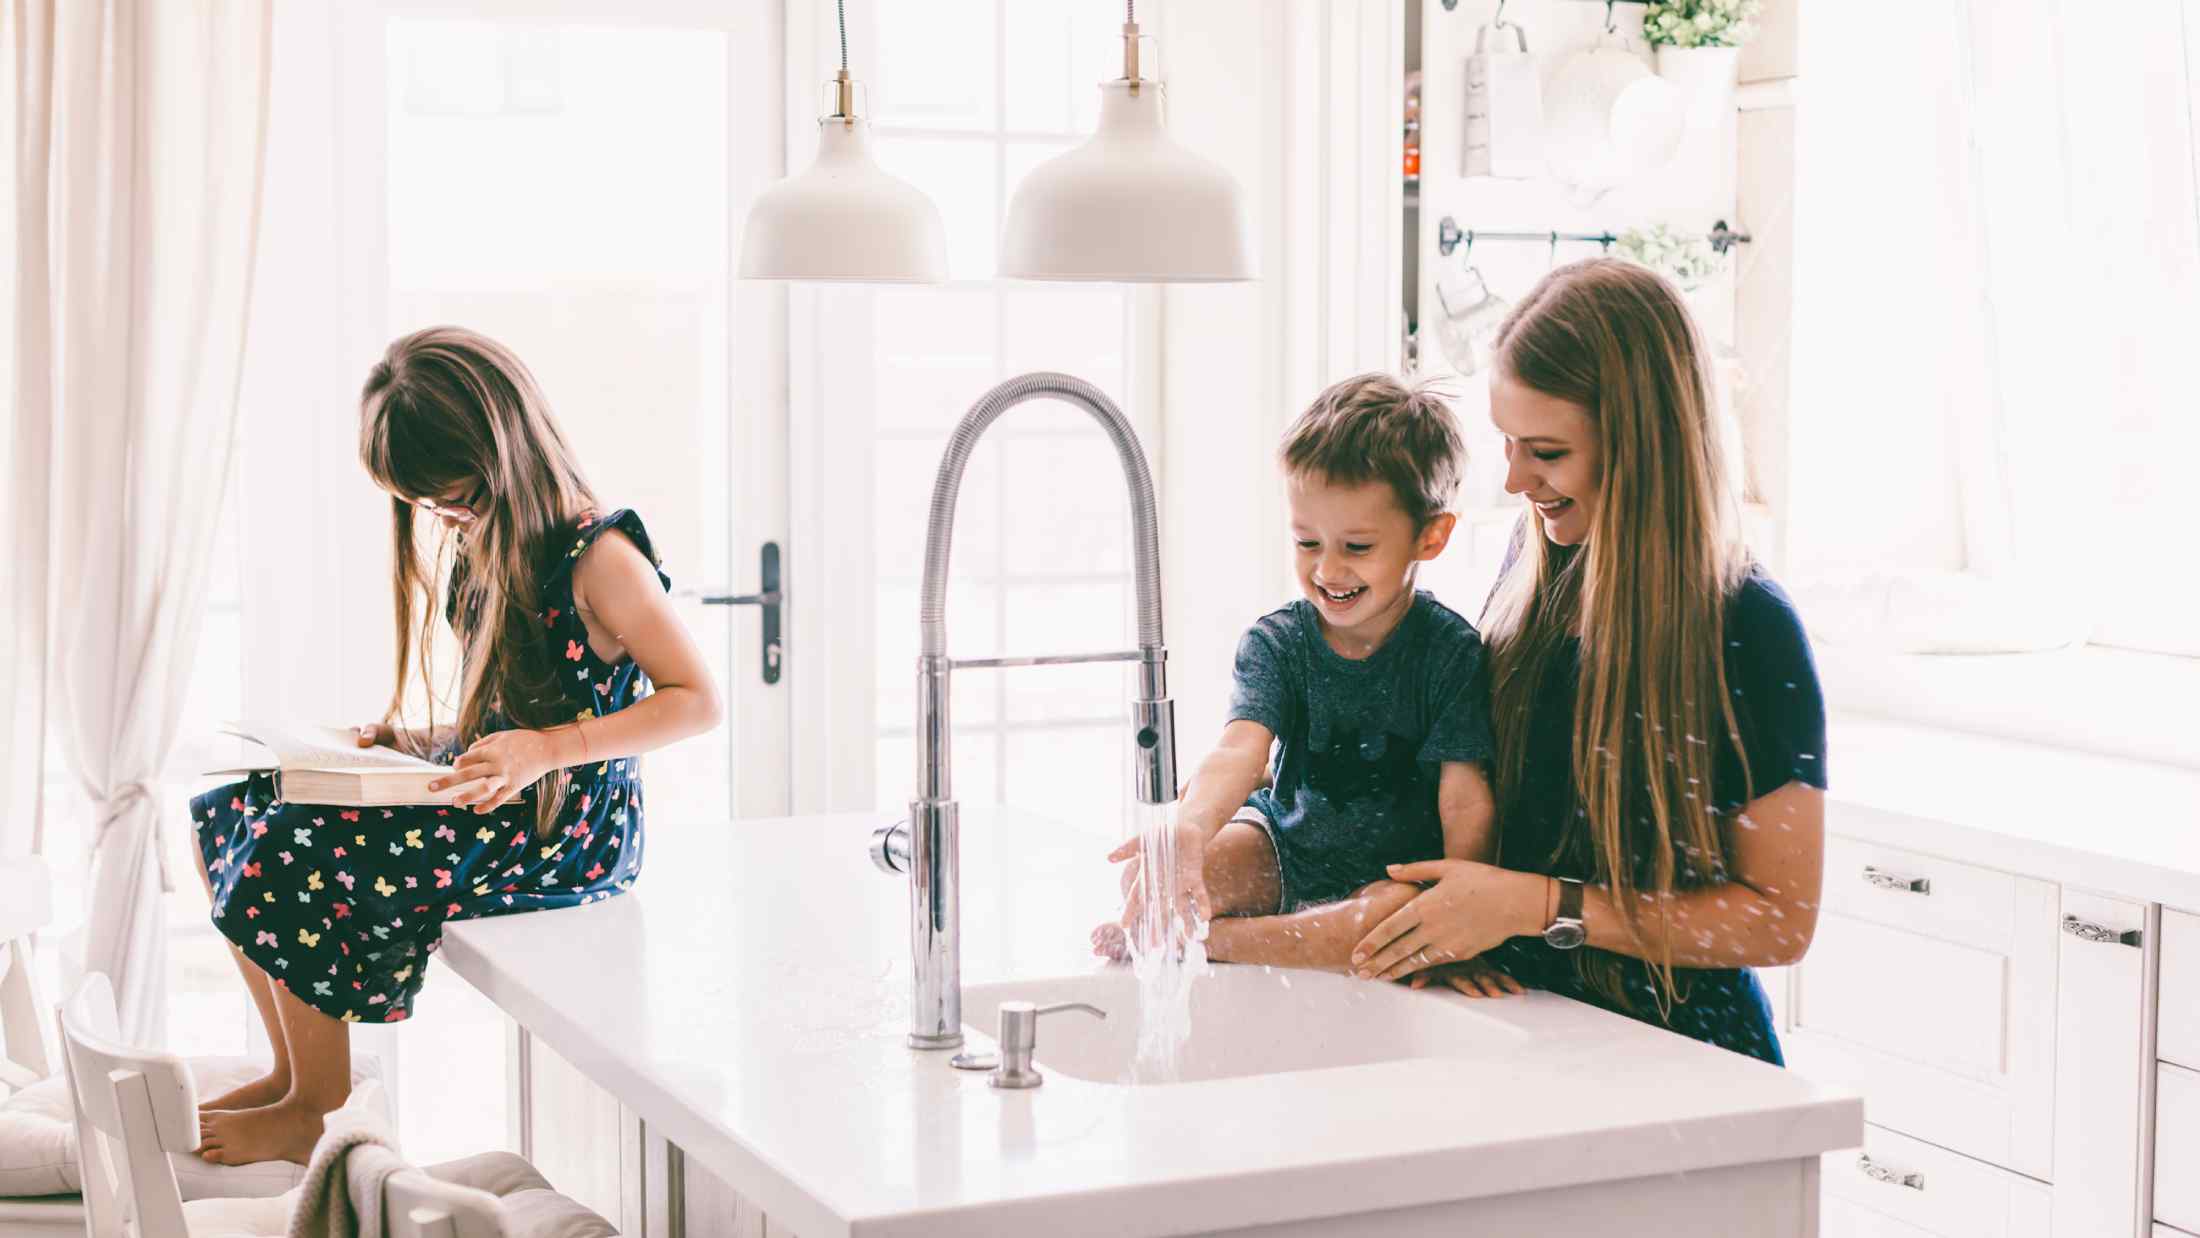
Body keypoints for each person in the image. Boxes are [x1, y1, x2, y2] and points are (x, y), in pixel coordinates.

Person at [190, 326, 723, 1163]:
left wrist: (547, 750)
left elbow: (697, 702)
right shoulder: (492, 540)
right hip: (507, 791)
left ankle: (318, 1107)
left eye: (452, 494)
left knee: (293, 846)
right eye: (425, 503)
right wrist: (421, 739)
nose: (441, 516)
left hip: (568, 833)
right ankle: (296, 1075)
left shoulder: (603, 557)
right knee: (229, 810)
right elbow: (517, 710)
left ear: (504, 450)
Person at [1348, 259, 1826, 1064]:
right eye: (1507, 443)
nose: (1514, 478)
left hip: (1685, 1061)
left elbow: (1778, 920)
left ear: (1642, 445)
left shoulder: (1746, 624)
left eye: (1546, 451)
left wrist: (1537, 906)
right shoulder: (1536, 567)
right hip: (1528, 1029)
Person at [1096, 373, 1511, 978]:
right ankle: (1248, 931)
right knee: (1154, 870)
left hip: (1390, 879)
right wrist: (1187, 830)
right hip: (1283, 849)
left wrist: (1464, 926)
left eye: (1357, 546)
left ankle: (1212, 941)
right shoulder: (1280, 642)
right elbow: (1239, 751)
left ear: (1431, 536)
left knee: (1382, 924)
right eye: (1307, 541)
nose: (1328, 569)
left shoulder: (1449, 652)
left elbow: (1465, 798)